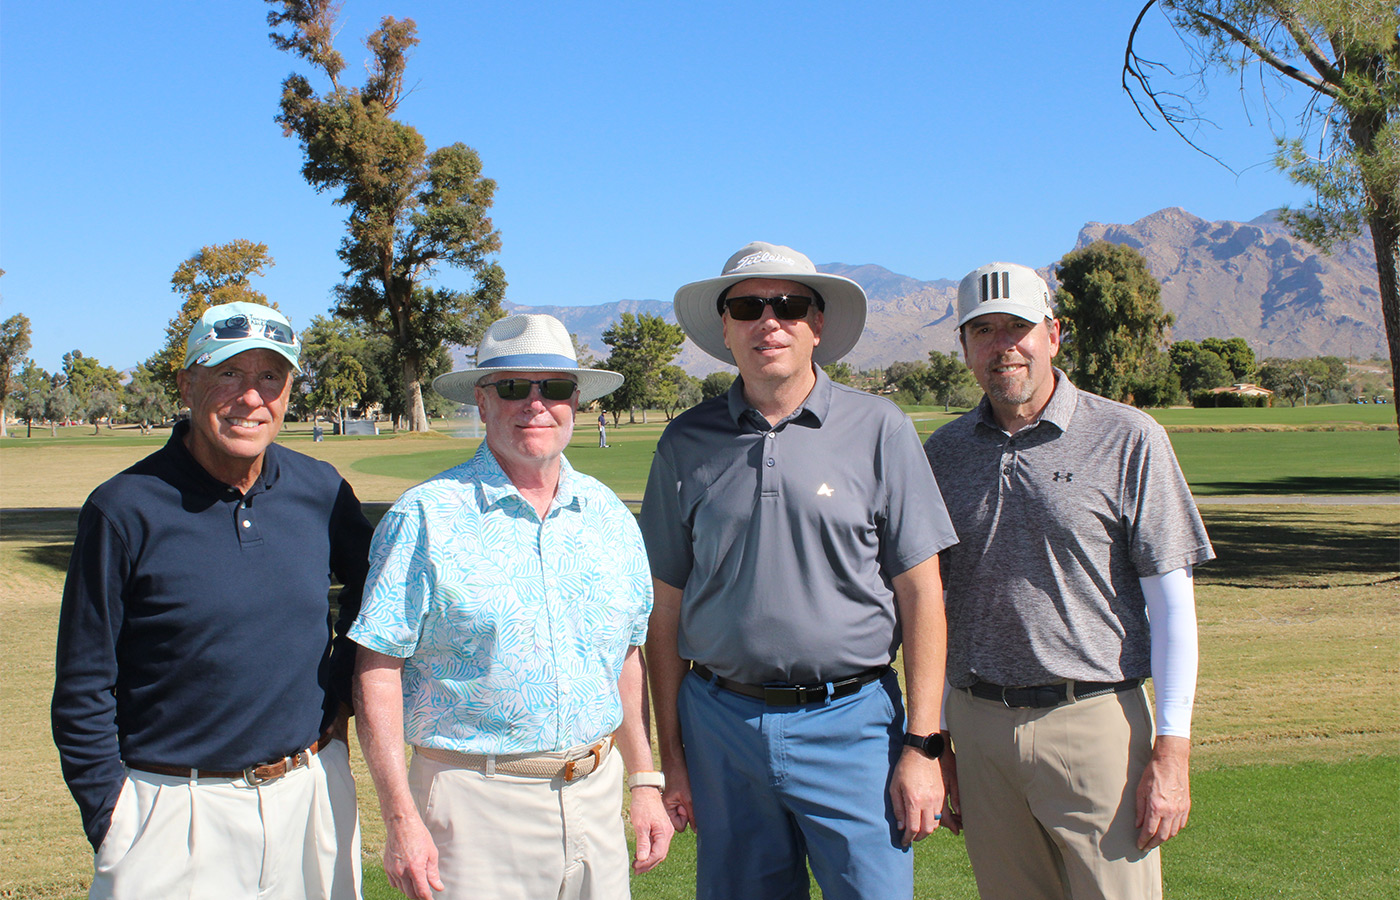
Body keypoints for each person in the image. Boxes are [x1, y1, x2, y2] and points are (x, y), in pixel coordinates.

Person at [639, 242, 959, 900]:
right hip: (719, 726)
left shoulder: (880, 429)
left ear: (818, 326)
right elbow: (662, 610)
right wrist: (673, 760)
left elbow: (923, 594)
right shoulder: (685, 442)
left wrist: (923, 746)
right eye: (747, 306)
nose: (769, 321)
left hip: (853, 725)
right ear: (725, 327)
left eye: (789, 305)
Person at [52, 301, 370, 899]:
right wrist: (114, 821)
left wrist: (341, 684)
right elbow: (82, 685)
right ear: (187, 383)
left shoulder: (321, 489)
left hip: (310, 793)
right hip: (172, 809)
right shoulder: (123, 508)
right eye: (228, 374)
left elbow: (374, 591)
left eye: (270, 377)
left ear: (288, 391)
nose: (251, 397)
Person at [350, 313, 672, 900]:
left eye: (552, 388)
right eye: (512, 388)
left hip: (596, 796)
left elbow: (625, 655)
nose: (534, 404)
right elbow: (378, 669)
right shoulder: (425, 517)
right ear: (482, 399)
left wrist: (645, 780)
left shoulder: (609, 516)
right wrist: (399, 817)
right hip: (473, 804)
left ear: (575, 401)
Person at [924, 262, 1216, 900]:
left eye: (1019, 328)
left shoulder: (1129, 437)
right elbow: (936, 609)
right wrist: (939, 737)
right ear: (966, 347)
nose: (1003, 345)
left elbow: (1172, 608)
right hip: (978, 723)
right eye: (984, 330)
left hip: (1095, 720)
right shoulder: (942, 454)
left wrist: (1172, 751)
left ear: (1053, 335)